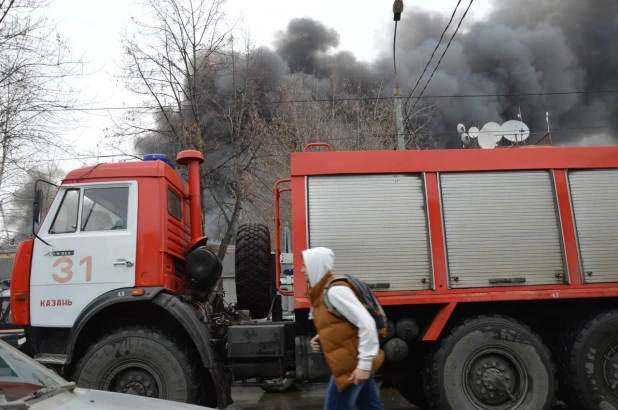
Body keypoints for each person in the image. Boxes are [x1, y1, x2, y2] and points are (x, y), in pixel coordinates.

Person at [301, 247, 384, 410]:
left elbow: (367, 323)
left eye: (305, 265)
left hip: (351, 366)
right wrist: (322, 335)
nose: (301, 269)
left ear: (316, 266)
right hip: (353, 361)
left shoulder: (335, 291)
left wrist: (364, 365)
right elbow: (340, 322)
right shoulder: (322, 292)